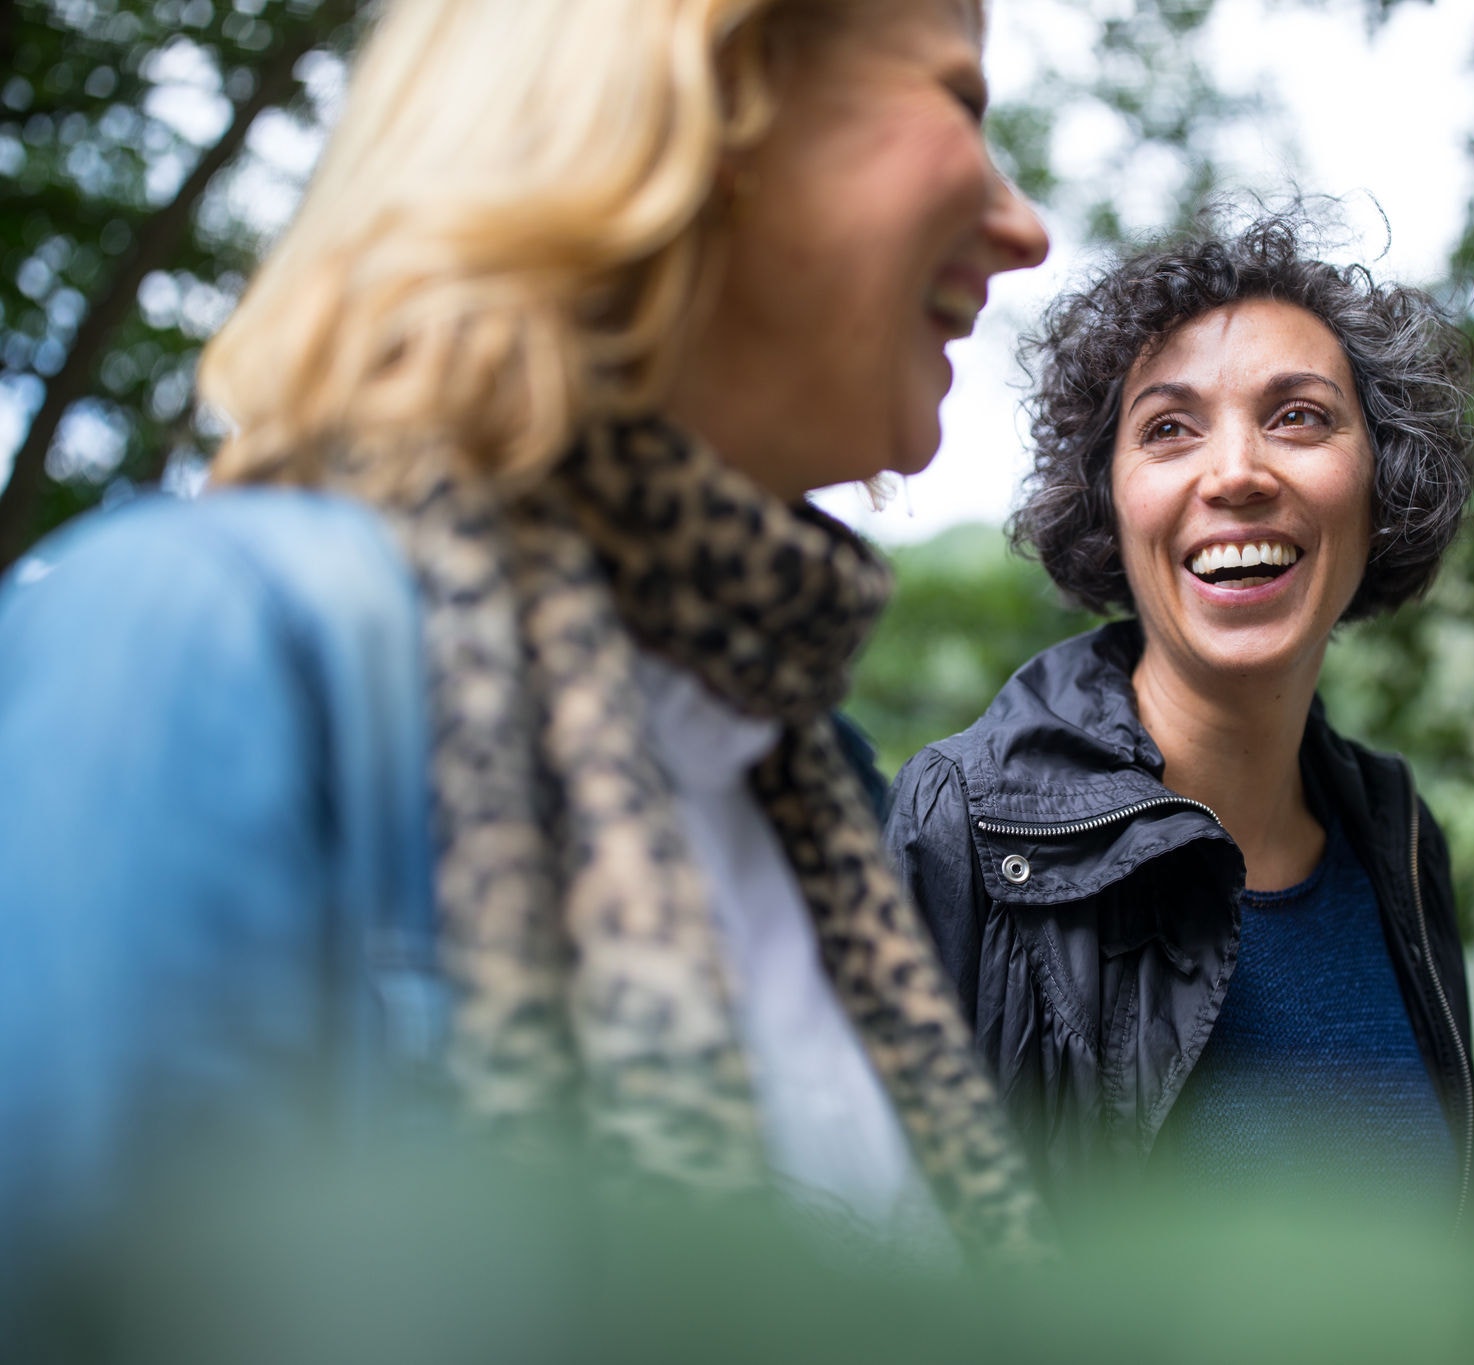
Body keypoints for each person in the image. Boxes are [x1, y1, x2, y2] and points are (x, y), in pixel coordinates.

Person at [0, 0, 1053, 1276]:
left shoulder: (801, 779)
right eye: (958, 101)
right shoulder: (204, 647)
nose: (1023, 226)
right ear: (706, 94)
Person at [884, 214, 1474, 1249]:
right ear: (1109, 505)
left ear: (1380, 489)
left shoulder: (1397, 836)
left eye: (1299, 418)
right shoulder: (968, 830)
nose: (1234, 474)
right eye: (1168, 428)